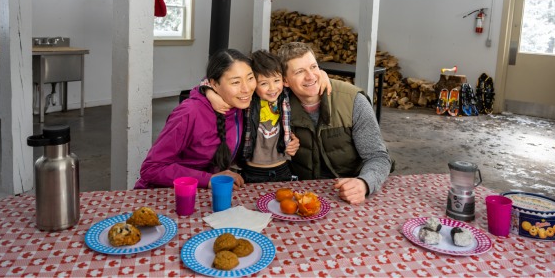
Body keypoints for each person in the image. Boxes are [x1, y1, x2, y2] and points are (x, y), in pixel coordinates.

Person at [277, 42, 392, 205]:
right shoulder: (276, 104)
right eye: (300, 71)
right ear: (285, 81)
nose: (310, 76)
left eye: (314, 67)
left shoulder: (353, 101)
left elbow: (378, 156)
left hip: (348, 193)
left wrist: (364, 183)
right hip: (300, 196)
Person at [203, 49, 331, 183]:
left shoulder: (285, 95)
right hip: (251, 170)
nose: (272, 88)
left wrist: (322, 74)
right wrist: (209, 93)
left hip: (283, 167)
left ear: (283, 80)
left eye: (276, 80)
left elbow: (305, 79)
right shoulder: (247, 99)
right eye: (263, 83)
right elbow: (209, 80)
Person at [134, 49, 254, 190]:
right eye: (235, 82)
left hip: (205, 192)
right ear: (214, 84)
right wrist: (208, 179)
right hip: (163, 194)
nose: (246, 89)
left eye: (250, 78)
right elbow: (151, 169)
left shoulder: (241, 106)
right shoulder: (189, 113)